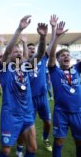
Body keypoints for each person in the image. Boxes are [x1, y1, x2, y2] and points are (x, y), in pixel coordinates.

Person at [0, 15, 47, 157]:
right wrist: (19, 29)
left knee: (32, 148)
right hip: (10, 113)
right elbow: (6, 51)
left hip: (27, 112)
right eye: (16, 51)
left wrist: (43, 38)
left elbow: (39, 54)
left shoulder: (26, 66)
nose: (19, 53)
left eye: (20, 51)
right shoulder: (5, 67)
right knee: (6, 150)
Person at [48, 20, 81, 157]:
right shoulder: (55, 71)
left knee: (79, 142)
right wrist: (56, 36)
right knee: (59, 141)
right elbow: (50, 55)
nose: (66, 56)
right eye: (63, 55)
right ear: (58, 59)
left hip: (78, 112)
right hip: (61, 112)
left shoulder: (77, 69)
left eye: (68, 55)